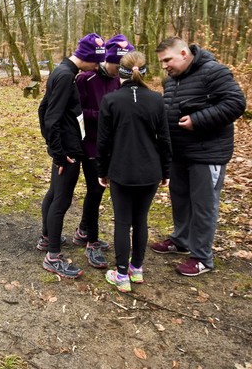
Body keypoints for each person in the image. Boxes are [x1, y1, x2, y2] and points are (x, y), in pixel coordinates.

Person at [150, 37, 246, 276]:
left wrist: (198, 120)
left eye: (167, 60)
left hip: (206, 153)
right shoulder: (171, 81)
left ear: (184, 53)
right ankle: (180, 241)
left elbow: (235, 103)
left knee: (204, 206)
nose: (164, 66)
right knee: (180, 199)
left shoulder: (214, 72)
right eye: (162, 62)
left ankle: (202, 257)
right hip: (179, 153)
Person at [96, 51, 171, 292]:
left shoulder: (111, 100)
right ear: (145, 72)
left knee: (123, 221)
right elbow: (165, 139)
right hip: (150, 171)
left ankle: (121, 274)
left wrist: (102, 170)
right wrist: (166, 171)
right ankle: (136, 269)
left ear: (121, 73)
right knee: (141, 220)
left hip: (121, 170)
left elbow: (103, 142)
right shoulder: (157, 99)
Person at [36, 36, 102, 278]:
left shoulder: (62, 71)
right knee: (61, 200)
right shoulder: (65, 76)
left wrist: (54, 150)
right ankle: (53, 256)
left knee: (54, 194)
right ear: (86, 58)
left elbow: (43, 108)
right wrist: (59, 155)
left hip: (66, 146)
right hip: (69, 150)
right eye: (96, 62)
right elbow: (51, 117)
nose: (97, 67)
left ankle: (46, 239)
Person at [71, 33, 135, 268]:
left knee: (99, 191)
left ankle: (83, 230)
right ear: (106, 59)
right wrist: (102, 115)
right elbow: (75, 111)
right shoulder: (85, 79)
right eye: (117, 65)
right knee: (95, 191)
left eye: (124, 66)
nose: (120, 69)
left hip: (112, 147)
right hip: (90, 144)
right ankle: (92, 242)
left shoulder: (122, 81)